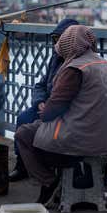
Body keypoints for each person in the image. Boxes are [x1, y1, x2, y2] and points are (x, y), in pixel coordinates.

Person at [14, 25, 107, 206]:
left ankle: (48, 181)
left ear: (68, 46)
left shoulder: (74, 69)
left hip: (77, 141)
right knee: (36, 128)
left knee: (24, 133)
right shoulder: (106, 65)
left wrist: (44, 111)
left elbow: (53, 110)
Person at [10, 18, 79, 181]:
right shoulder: (55, 58)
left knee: (30, 130)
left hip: (60, 111)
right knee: (23, 118)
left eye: (59, 40)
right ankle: (22, 165)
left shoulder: (75, 64)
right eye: (54, 40)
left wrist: (49, 106)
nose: (56, 44)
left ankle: (43, 169)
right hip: (46, 105)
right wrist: (39, 101)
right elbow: (40, 84)